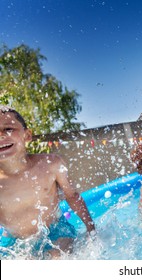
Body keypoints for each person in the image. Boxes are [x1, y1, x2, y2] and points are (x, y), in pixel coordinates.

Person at [0, 106, 95, 259]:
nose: (1, 136)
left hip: (56, 231)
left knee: (58, 256)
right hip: (14, 241)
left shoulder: (50, 164)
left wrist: (91, 228)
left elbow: (72, 196)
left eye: (8, 129)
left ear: (27, 135)